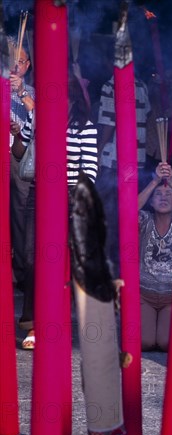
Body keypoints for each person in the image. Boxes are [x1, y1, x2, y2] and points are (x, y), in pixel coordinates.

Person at [11, 73, 98, 350]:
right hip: (39, 192)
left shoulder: (85, 126)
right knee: (31, 257)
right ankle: (33, 324)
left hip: (71, 194)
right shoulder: (38, 118)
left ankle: (70, 322)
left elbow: (91, 169)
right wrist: (20, 133)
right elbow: (19, 152)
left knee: (70, 263)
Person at [96, 73, 151, 277]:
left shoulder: (110, 85)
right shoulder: (142, 85)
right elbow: (147, 115)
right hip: (136, 161)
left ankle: (109, 271)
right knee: (129, 217)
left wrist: (99, 150)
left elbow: (109, 123)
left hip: (113, 161)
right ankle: (126, 271)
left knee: (107, 217)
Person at [138, 161, 172, 351]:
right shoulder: (145, 220)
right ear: (150, 201)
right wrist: (155, 181)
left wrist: (171, 182)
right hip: (144, 295)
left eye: (168, 195)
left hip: (171, 298)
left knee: (166, 344)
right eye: (158, 194)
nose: (163, 198)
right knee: (145, 343)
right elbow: (128, 209)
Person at [8, 38, 35, 290]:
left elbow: (40, 116)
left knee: (20, 215)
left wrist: (21, 92)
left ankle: (20, 272)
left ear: (26, 66)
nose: (15, 66)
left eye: (20, 61)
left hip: (20, 158)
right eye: (11, 60)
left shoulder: (32, 91)